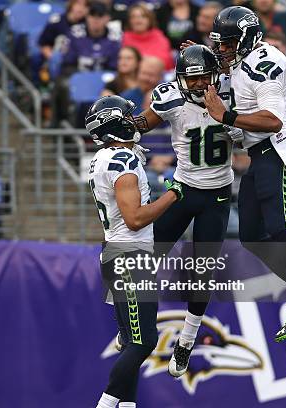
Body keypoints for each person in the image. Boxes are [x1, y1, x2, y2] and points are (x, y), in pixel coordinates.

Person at [206, 6, 286, 341]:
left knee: (279, 225)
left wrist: (227, 116)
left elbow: (272, 120)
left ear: (246, 38)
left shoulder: (265, 63)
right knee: (250, 235)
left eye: (228, 42)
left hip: (276, 149)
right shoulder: (241, 63)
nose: (222, 49)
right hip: (258, 154)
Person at [133, 45, 238, 376]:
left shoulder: (234, 96)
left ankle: (187, 342)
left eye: (203, 76)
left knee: (203, 272)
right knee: (147, 257)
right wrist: (119, 127)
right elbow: (140, 126)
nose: (196, 84)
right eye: (190, 78)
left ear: (215, 76)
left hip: (218, 195)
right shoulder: (171, 98)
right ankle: (133, 327)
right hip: (183, 189)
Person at [84, 95, 182, 408]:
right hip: (129, 255)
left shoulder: (105, 157)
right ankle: (106, 404)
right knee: (144, 340)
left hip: (119, 251)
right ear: (115, 125)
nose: (133, 120)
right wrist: (174, 194)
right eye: (127, 117)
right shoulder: (121, 160)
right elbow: (135, 218)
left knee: (131, 340)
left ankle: (126, 405)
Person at [121, 3, 173, 70]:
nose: (138, 20)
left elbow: (166, 62)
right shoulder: (124, 38)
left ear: (150, 20)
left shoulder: (160, 38)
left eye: (143, 16)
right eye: (133, 17)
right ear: (129, 21)